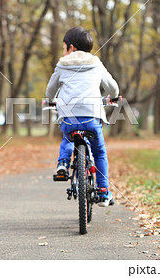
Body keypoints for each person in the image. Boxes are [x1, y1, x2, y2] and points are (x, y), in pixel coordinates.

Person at [46, 26, 119, 207]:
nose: (64, 52)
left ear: (71, 48)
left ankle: (63, 163)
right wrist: (114, 97)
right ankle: (103, 192)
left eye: (64, 48)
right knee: (99, 152)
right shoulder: (97, 64)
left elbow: (50, 90)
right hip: (92, 116)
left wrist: (50, 100)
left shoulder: (62, 64)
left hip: (68, 116)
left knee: (68, 136)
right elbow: (113, 87)